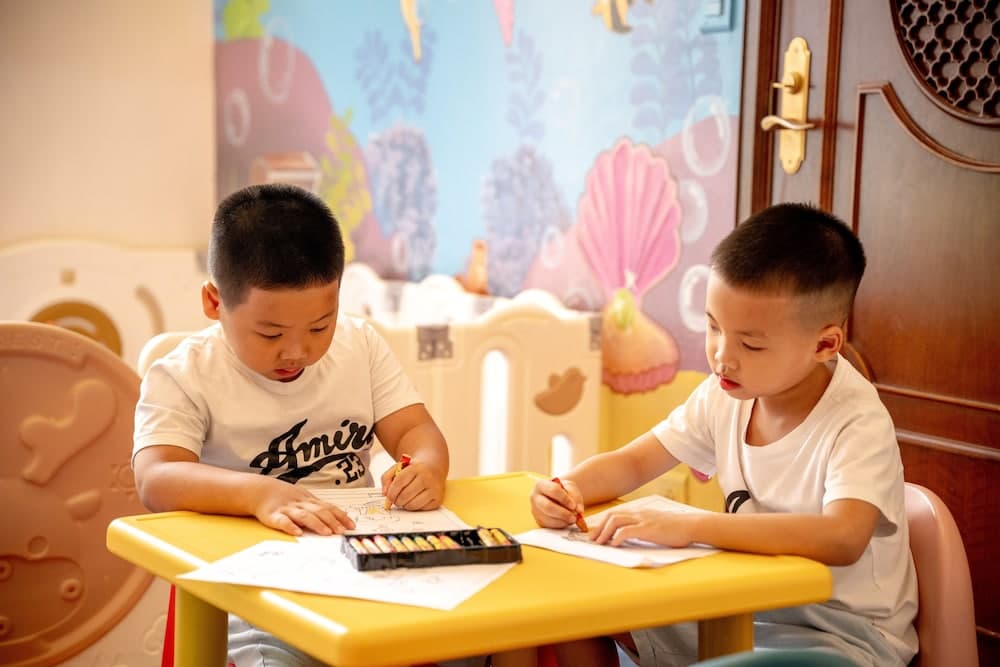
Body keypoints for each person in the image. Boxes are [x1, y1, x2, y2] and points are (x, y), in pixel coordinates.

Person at [530, 203, 918, 667]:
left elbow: (842, 536)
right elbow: (635, 462)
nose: (721, 357)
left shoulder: (857, 421)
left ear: (824, 344)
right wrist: (567, 488)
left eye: (750, 344)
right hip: (741, 606)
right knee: (577, 608)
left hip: (841, 636)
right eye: (714, 327)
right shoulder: (725, 392)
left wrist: (689, 526)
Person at [133, 183, 450, 667]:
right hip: (252, 594)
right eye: (270, 333)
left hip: (363, 578)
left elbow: (414, 431)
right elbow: (155, 477)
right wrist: (259, 494)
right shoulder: (184, 374)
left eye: (320, 326)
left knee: (479, 642)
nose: (297, 351)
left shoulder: (359, 345)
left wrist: (426, 466)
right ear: (215, 302)